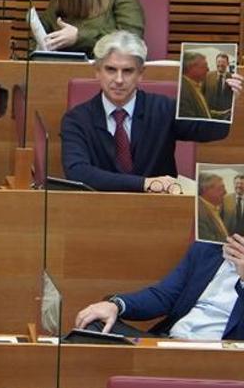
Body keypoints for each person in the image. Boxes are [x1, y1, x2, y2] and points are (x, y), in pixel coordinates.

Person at [60, 31, 239, 192]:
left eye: (128, 71)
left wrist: (226, 101)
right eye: (111, 70)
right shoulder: (76, 119)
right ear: (97, 72)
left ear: (141, 74)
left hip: (160, 212)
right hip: (100, 214)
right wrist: (144, 183)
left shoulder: (164, 109)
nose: (119, 79)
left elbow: (212, 131)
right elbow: (77, 172)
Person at [75, 233, 244, 341]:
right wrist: (116, 305)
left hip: (220, 356)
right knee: (94, 326)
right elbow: (163, 296)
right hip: (171, 343)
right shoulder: (207, 248)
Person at [179, 51, 224, 120]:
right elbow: (189, 119)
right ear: (191, 68)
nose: (208, 69)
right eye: (204, 66)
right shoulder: (183, 89)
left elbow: (203, 112)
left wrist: (225, 113)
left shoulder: (195, 85)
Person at [197, 173, 230, 243]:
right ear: (205, 190)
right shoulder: (199, 212)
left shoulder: (212, 207)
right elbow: (208, 241)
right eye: (221, 188)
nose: (225, 192)